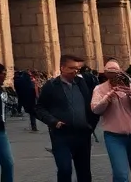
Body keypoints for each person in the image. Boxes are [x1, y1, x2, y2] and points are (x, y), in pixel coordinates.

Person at [35, 54, 97, 182]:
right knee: (65, 169)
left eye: (77, 69)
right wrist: (53, 121)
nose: (75, 71)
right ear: (62, 68)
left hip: (82, 134)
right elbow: (39, 108)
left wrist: (91, 125)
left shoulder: (82, 83)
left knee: (84, 172)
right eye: (71, 68)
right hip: (61, 135)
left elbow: (92, 104)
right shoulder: (51, 85)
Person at [91, 60, 131, 182]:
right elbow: (95, 109)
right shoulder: (99, 89)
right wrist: (108, 97)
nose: (114, 76)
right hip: (114, 137)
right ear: (105, 73)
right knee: (120, 174)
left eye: (116, 72)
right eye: (110, 72)